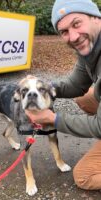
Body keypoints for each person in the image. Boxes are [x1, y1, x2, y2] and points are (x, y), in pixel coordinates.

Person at [25, 0, 101, 191]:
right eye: (64, 31)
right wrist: (43, 87)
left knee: (84, 176)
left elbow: (99, 126)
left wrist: (52, 118)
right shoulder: (90, 49)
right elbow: (75, 85)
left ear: (96, 18)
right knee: (84, 96)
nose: (73, 36)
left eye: (77, 23)